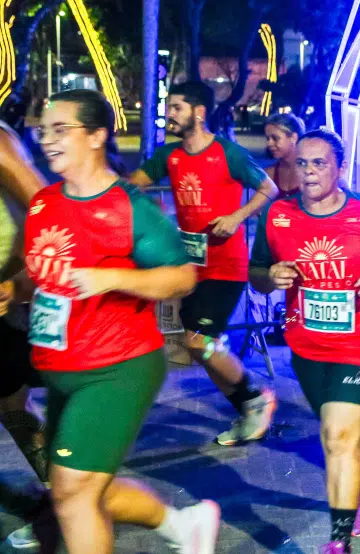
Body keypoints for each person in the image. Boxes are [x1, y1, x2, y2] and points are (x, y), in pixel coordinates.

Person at [14, 89, 220, 554]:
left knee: (70, 492)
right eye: (43, 131)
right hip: (62, 367)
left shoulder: (129, 206)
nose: (47, 140)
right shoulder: (46, 202)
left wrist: (109, 277)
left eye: (60, 129)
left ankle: (180, 524)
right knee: (87, 488)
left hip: (117, 367)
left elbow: (182, 277)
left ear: (96, 136)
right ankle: (183, 524)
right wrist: (15, 288)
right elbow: (44, 274)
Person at [250, 129, 360, 554]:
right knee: (343, 431)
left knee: (337, 438)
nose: (308, 172)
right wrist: (270, 278)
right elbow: (256, 272)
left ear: (340, 169)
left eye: (319, 163)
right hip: (307, 345)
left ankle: (337, 543)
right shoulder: (276, 216)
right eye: (302, 163)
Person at [129, 81, 278, 446]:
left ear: (198, 112)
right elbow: (132, 187)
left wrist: (237, 216)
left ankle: (256, 398)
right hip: (189, 266)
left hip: (226, 266)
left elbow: (268, 189)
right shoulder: (170, 156)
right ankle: (247, 408)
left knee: (198, 341)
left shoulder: (229, 153)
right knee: (195, 344)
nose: (171, 115)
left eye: (177, 107)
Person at [0, 108, 52, 551]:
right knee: (11, 406)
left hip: (7, 308)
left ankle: (68, 500)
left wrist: (16, 282)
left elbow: (46, 210)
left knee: (13, 404)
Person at [264, 113, 306, 198]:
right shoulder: (269, 174)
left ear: (293, 138)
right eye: (268, 139)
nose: (269, 143)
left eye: (275, 138)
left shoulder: (311, 172)